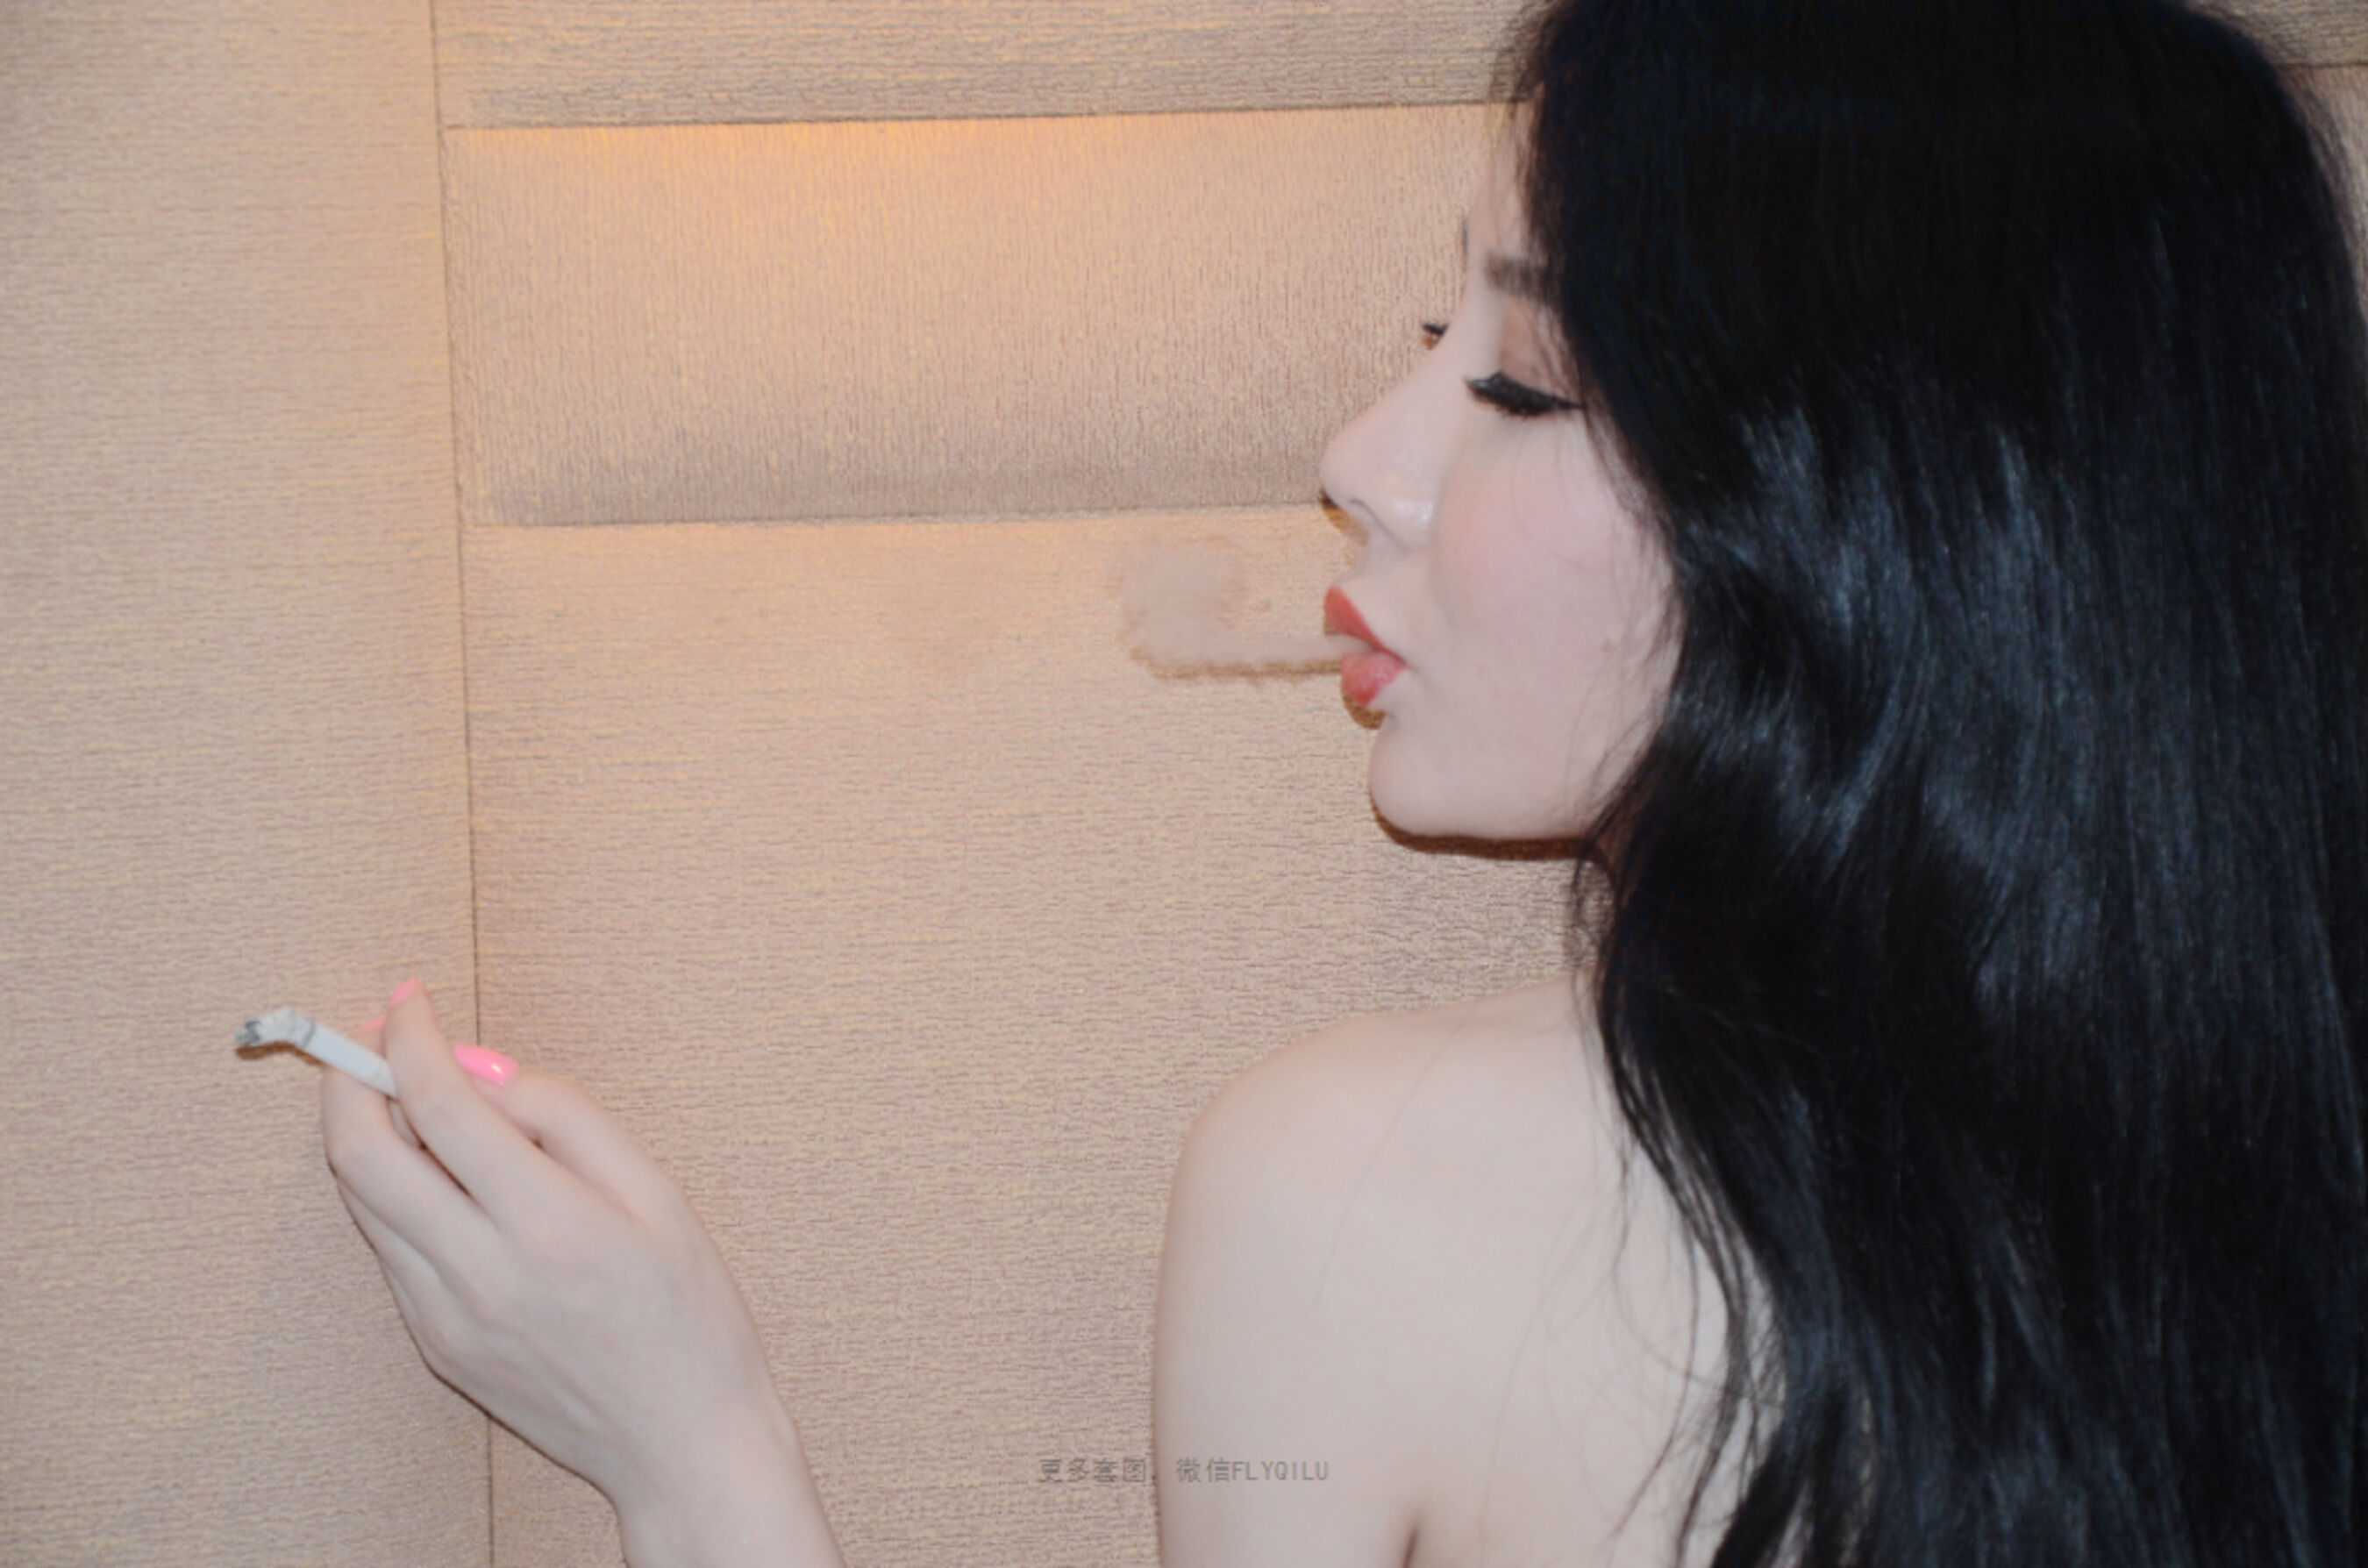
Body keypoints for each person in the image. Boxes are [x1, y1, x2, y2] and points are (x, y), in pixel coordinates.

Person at [318, 0, 2368, 1563]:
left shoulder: (1362, 1191)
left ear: (1884, 523)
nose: (1360, 461)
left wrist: (692, 1447)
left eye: (1522, 384)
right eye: (1433, 341)